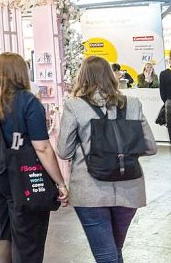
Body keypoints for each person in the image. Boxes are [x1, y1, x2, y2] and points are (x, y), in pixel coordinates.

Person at [57, 56, 157, 263]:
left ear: (81, 77)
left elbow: (64, 151)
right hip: (129, 188)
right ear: (111, 76)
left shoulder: (74, 106)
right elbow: (150, 147)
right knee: (113, 252)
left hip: (89, 189)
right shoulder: (133, 103)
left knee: (106, 254)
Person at [0, 52, 68, 263]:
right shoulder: (28, 102)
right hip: (22, 177)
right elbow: (43, 147)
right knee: (28, 241)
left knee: (4, 236)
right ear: (21, 73)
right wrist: (60, 183)